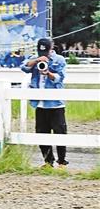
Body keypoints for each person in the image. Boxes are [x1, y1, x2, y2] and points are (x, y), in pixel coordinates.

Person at [21, 37, 68, 168]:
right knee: (41, 133)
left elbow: (60, 78)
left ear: (51, 48)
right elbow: (24, 67)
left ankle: (62, 161)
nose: (43, 54)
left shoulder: (59, 60)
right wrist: (37, 60)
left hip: (55, 103)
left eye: (45, 51)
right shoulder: (35, 58)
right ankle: (48, 162)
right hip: (39, 103)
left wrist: (48, 73)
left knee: (60, 132)